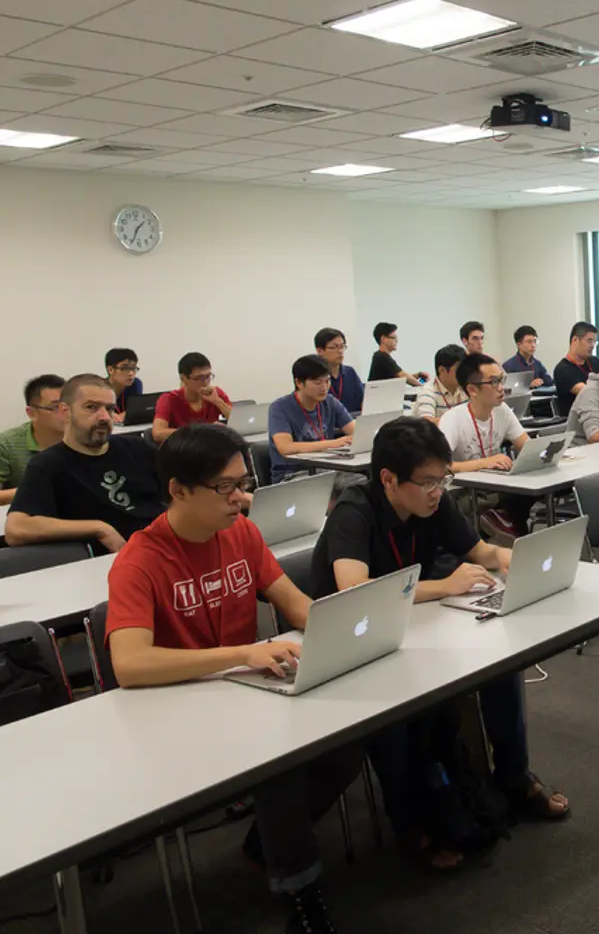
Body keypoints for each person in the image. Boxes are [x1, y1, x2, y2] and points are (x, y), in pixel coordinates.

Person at [105, 423, 360, 933]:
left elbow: (294, 604)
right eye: (226, 487)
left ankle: (265, 846)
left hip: (244, 691)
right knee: (281, 764)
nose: (242, 498)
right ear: (179, 490)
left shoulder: (240, 532)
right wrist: (243, 653)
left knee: (346, 745)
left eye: (245, 483)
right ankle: (302, 894)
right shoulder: (140, 560)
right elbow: (129, 664)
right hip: (176, 709)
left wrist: (348, 631)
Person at [309, 416, 569, 851]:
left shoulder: (433, 502)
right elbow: (355, 590)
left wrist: (517, 560)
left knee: (502, 666)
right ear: (388, 479)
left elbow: (481, 551)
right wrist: (445, 586)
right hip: (352, 640)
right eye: (428, 482)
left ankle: (513, 777)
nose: (437, 491)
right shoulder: (354, 512)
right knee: (395, 714)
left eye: (443, 479)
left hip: (413, 624)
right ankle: (409, 822)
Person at [5, 373, 163, 551]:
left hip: (162, 547)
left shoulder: (138, 448)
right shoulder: (48, 465)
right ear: (65, 412)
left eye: (110, 409)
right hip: (109, 559)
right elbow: (16, 529)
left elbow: (179, 493)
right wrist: (99, 528)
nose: (104, 417)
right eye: (91, 407)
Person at [439, 353, 537, 539]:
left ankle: (505, 527)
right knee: (515, 504)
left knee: (530, 487)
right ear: (472, 390)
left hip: (496, 486)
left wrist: (547, 454)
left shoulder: (502, 410)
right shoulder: (453, 419)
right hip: (464, 493)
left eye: (501, 380)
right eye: (493, 382)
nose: (501, 388)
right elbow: (440, 466)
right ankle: (505, 530)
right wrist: (485, 463)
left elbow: (527, 446)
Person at [267, 356, 355, 484]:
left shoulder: (330, 402)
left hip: (327, 468)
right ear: (299, 383)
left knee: (363, 482)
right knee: (347, 486)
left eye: (327, 381)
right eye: (318, 383)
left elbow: (357, 432)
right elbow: (285, 447)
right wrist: (334, 443)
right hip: (292, 475)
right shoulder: (280, 407)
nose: (324, 387)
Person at [0, 374, 66, 505]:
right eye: (56, 407)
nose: (66, 413)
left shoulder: (86, 437)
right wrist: (33, 490)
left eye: (68, 406)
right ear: (32, 413)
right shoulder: (7, 444)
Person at [151, 352, 232, 444]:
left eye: (208, 376)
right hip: (181, 448)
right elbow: (158, 434)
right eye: (199, 378)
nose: (205, 382)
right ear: (183, 378)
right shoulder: (169, 399)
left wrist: (217, 401)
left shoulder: (215, 393)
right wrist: (202, 431)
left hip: (209, 447)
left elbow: (239, 422)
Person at [552, 321, 599, 412]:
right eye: (589, 341)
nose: (592, 346)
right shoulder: (562, 369)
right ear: (575, 340)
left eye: (595, 342)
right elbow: (587, 393)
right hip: (579, 417)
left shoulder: (595, 362)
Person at [315, 327, 365, 416]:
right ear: (320, 351)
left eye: (342, 347)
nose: (340, 351)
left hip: (353, 420)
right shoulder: (314, 376)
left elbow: (363, 401)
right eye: (334, 347)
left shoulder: (350, 372)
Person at [416, 345, 468, 423]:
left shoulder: (467, 388)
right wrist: (459, 422)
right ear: (442, 370)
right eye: (459, 369)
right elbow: (426, 422)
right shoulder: (427, 392)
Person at [369, 322, 429, 386]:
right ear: (383, 339)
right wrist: (425, 387)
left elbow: (402, 378)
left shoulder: (380, 356)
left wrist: (418, 375)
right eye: (394, 337)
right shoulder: (382, 357)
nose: (396, 341)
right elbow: (405, 377)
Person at [105, 347, 143, 424]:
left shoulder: (135, 384)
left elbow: (136, 409)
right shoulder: (99, 388)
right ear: (111, 370)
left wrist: (126, 414)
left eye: (133, 368)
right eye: (124, 368)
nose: (131, 373)